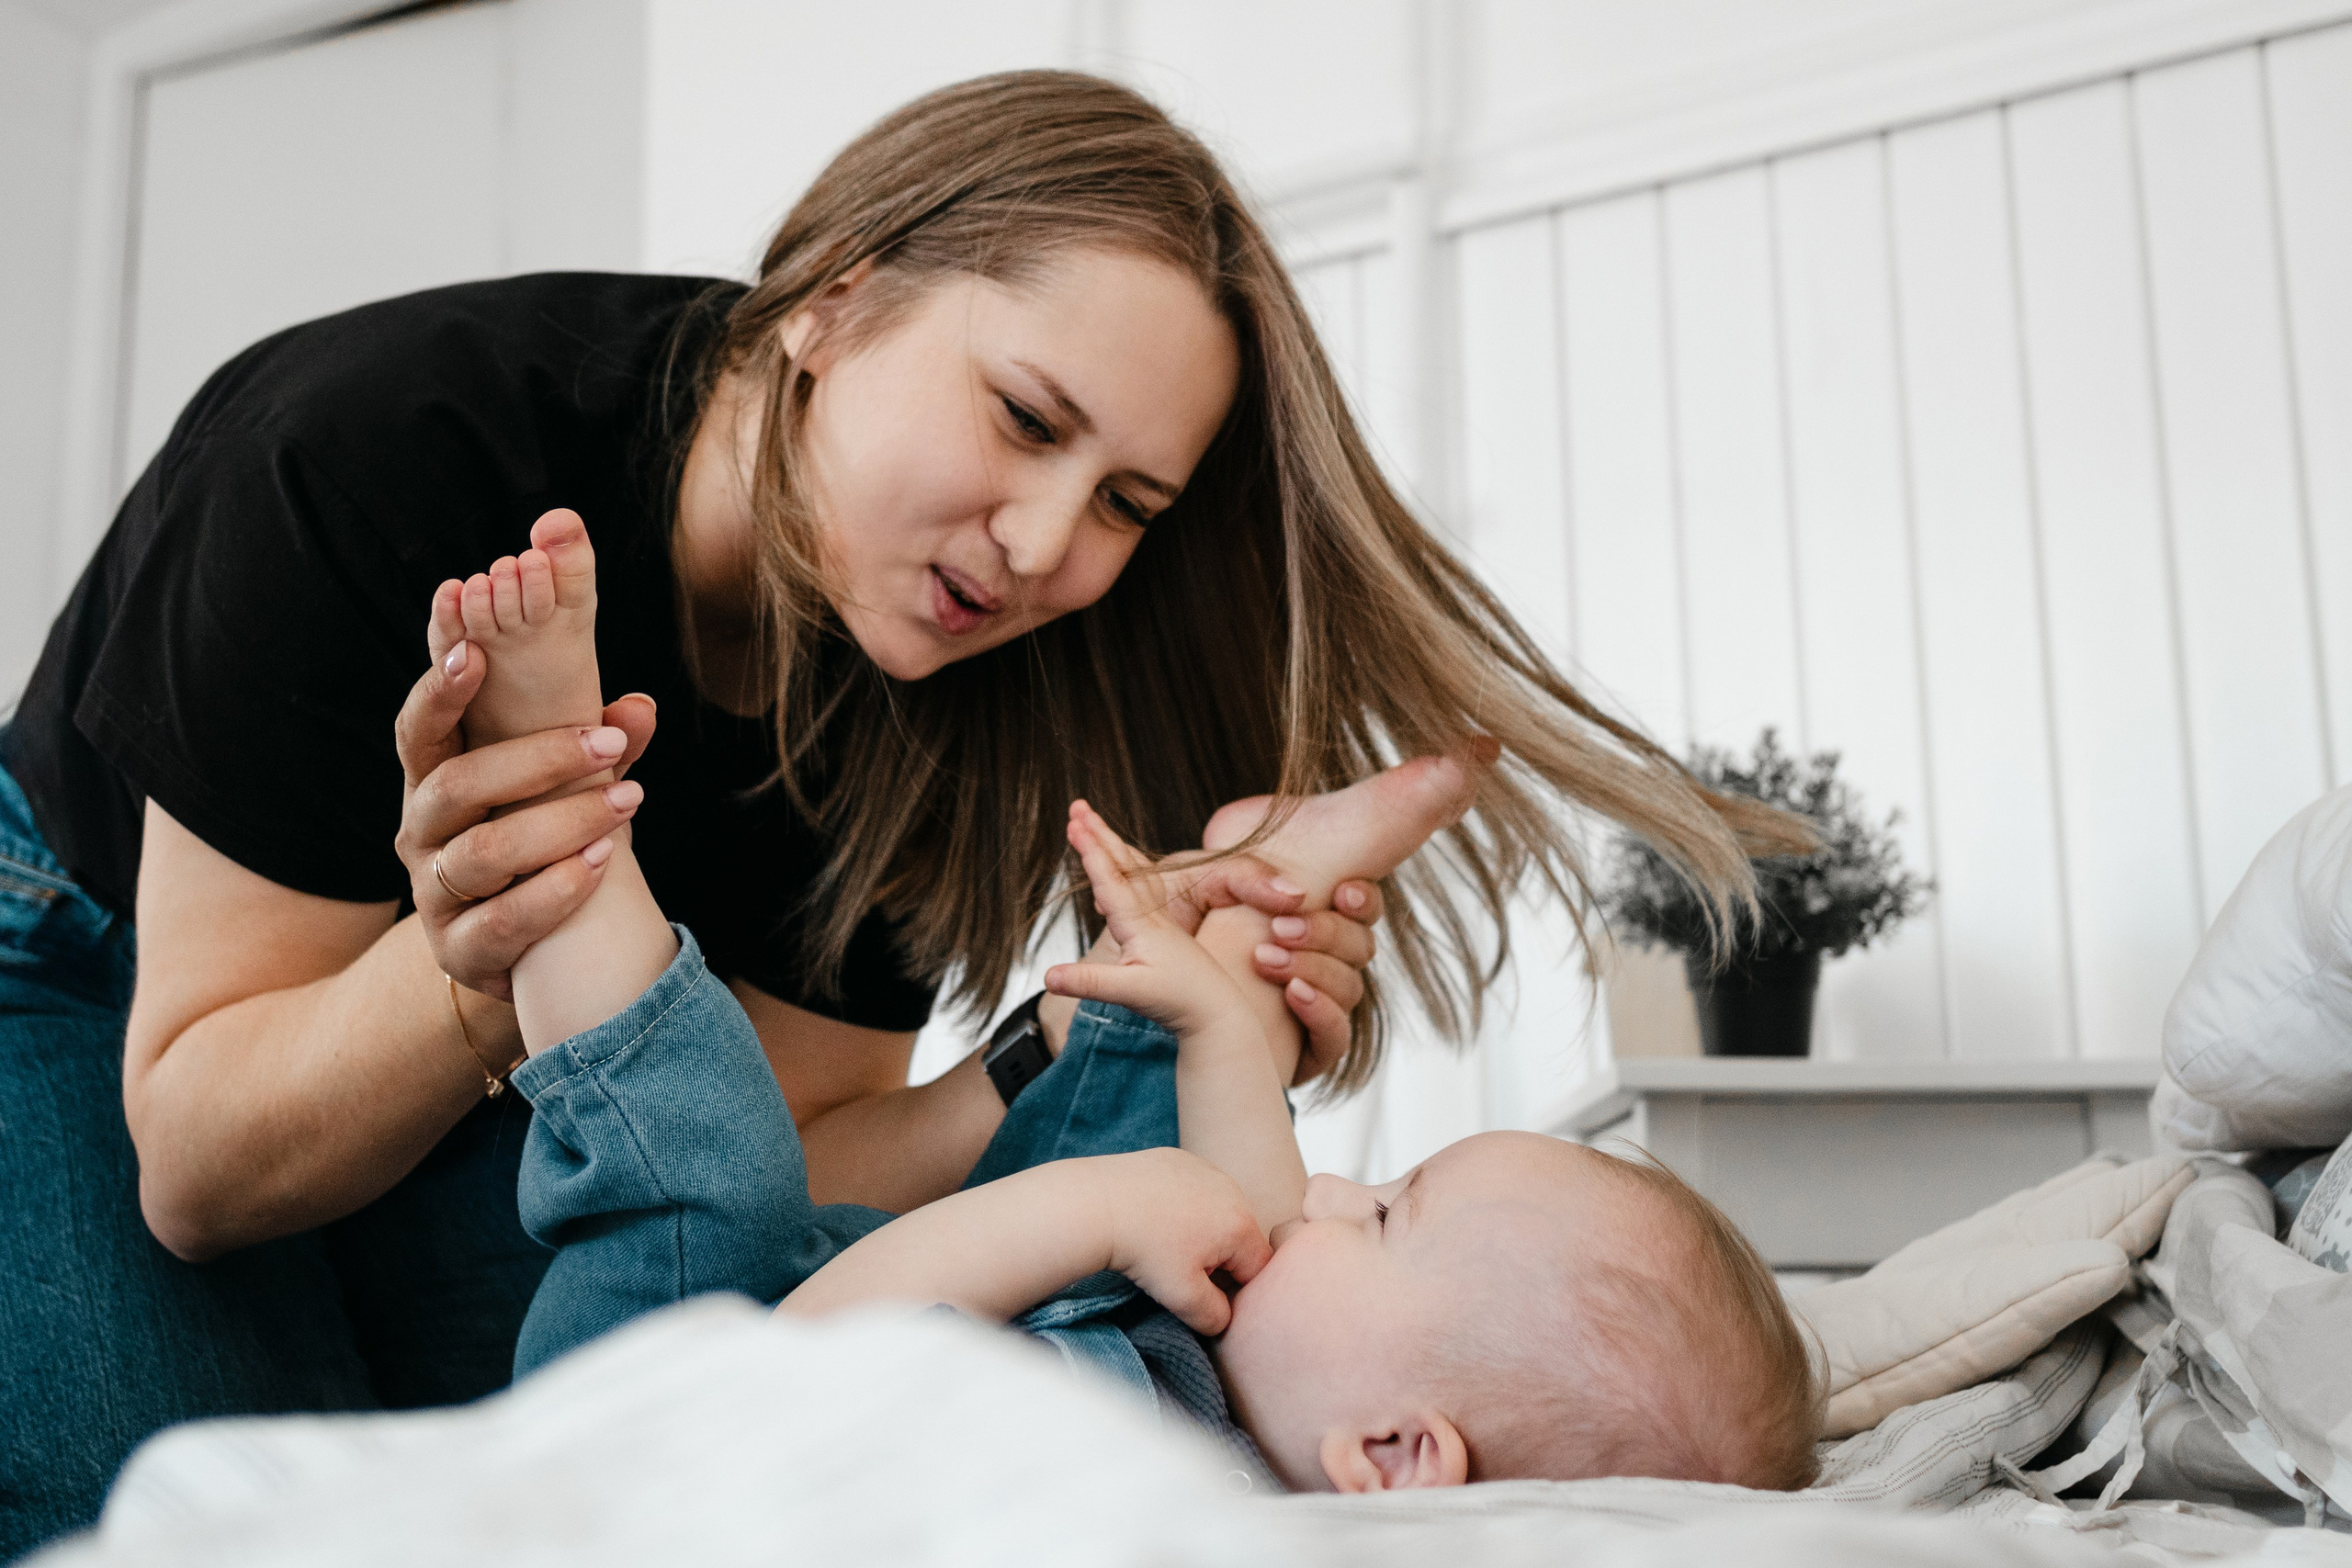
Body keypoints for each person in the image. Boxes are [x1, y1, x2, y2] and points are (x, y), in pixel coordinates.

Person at [0, 69, 1809, 1554]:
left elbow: (774, 1185)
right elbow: (204, 1169)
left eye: (1124, 502)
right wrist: (508, 936)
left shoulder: (934, 678)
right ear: (834, 297)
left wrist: (1099, 1014)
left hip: (472, 1075)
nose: (1044, 550)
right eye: (1025, 420)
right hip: (93, 978)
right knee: (171, 1503)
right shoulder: (381, 450)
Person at [448, 530, 1820, 1490]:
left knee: (709, 1159)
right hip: (880, 1287)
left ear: (1396, 1455)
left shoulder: (1098, 1466)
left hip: (670, 1392)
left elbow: (799, 1357)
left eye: (1390, 1211)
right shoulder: (1303, 1403)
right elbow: (1261, 1204)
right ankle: (1238, 912)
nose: (1337, 1189)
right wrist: (1223, 1028)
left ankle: (549, 784)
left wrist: (1093, 1216)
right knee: (1174, 1136)